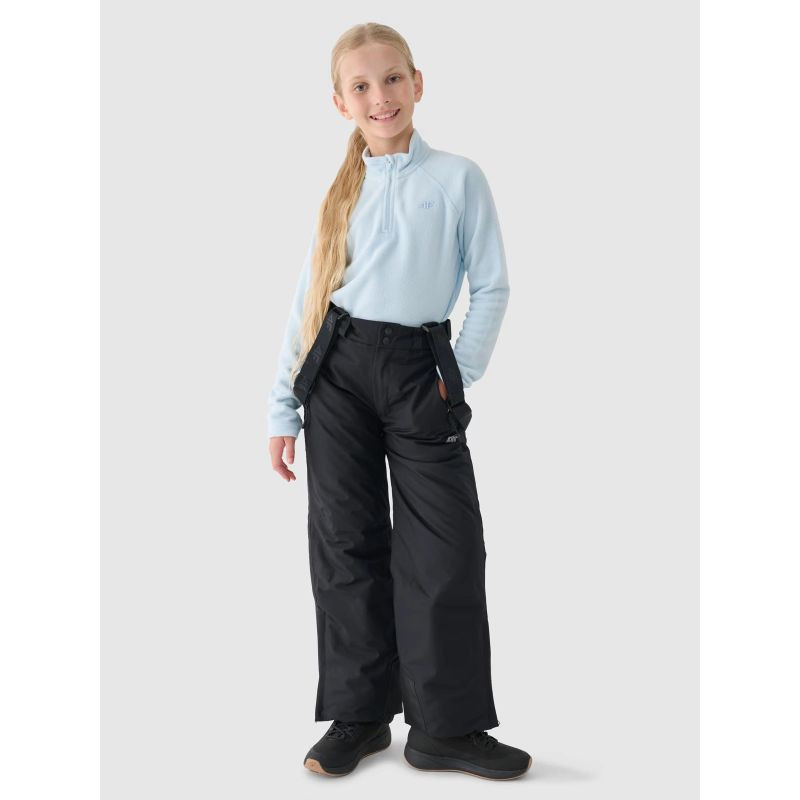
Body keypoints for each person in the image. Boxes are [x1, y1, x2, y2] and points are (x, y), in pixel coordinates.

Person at [267, 22, 532, 780]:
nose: (379, 97)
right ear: (340, 103)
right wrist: (283, 408)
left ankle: (446, 727)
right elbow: (308, 304)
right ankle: (360, 716)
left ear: (418, 83)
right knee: (345, 544)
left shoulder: (457, 178)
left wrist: (457, 372)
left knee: (445, 547)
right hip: (338, 373)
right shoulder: (338, 195)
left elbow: (492, 285)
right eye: (361, 86)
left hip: (421, 372)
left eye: (392, 79)